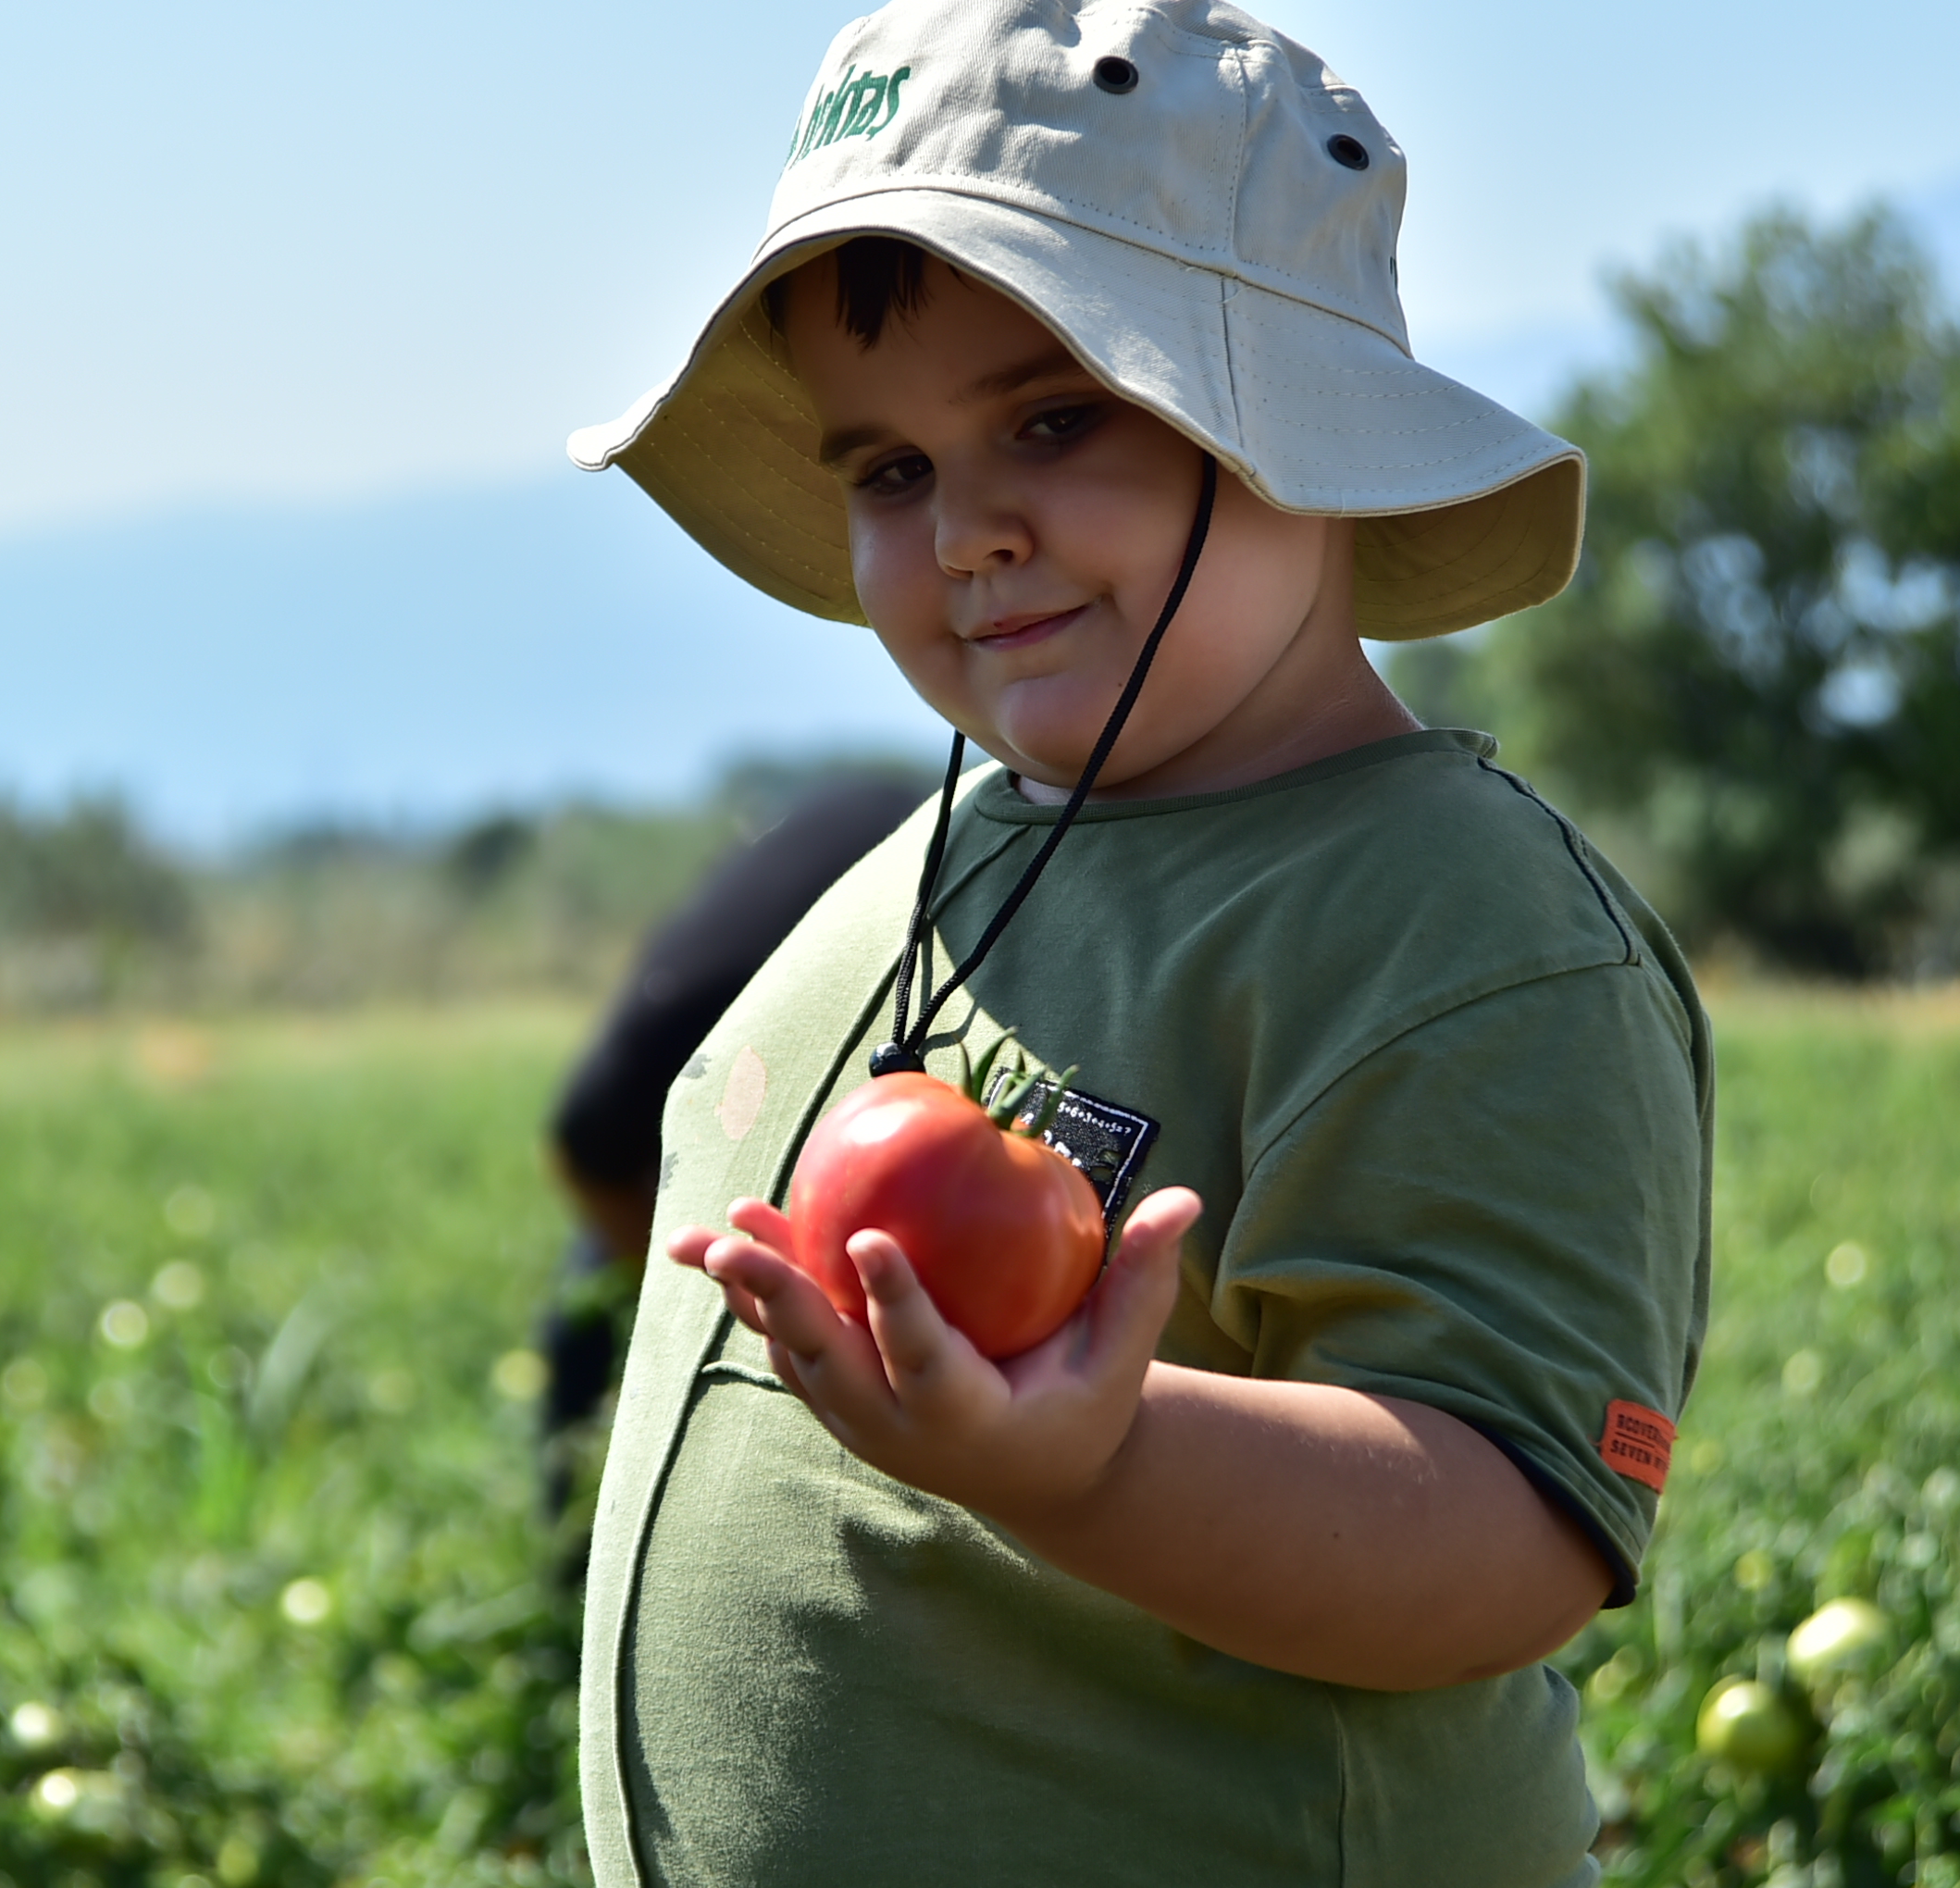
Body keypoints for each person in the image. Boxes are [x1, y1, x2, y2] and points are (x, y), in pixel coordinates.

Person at [562, 3, 1712, 1882]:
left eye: (1054, 415)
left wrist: (1084, 1461)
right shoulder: (925, 871)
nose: (966, 534)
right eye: (887, 470)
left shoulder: (1454, 923)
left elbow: (1512, 1531)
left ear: (1296, 430)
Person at [538, 773, 921, 1522]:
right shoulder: (642, 1076)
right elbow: (588, 1151)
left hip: (892, 887)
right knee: (590, 1310)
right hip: (876, 849)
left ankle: (574, 1554)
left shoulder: (653, 1059)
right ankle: (572, 1553)